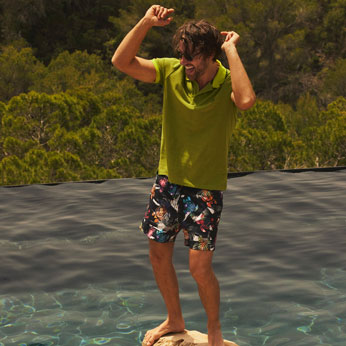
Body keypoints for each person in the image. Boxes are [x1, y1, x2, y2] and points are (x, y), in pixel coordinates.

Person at [111, 5, 255, 346]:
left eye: (191, 57)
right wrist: (146, 22)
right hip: (168, 182)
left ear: (208, 55)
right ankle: (174, 320)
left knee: (199, 268)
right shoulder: (172, 72)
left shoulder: (224, 84)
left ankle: (215, 333)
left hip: (205, 190)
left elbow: (246, 100)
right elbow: (121, 62)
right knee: (158, 253)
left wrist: (231, 49)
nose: (184, 62)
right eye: (181, 55)